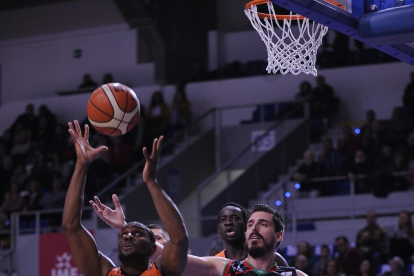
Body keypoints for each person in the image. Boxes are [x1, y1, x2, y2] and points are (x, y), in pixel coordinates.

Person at [63, 121, 188, 276]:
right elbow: (71, 226)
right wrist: (81, 165)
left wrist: (151, 182)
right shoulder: (104, 272)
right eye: (124, 234)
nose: (128, 236)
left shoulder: (163, 272)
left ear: (152, 248)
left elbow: (179, 239)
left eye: (138, 234)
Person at [94, 201, 307, 276]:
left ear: (279, 236)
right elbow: (167, 253)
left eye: (263, 224)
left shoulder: (290, 273)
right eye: (251, 223)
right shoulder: (222, 266)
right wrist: (124, 228)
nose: (254, 229)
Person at [215, 202, 288, 265]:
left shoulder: (272, 260)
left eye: (235, 218)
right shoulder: (215, 263)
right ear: (219, 230)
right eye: (223, 220)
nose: (228, 222)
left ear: (246, 225)